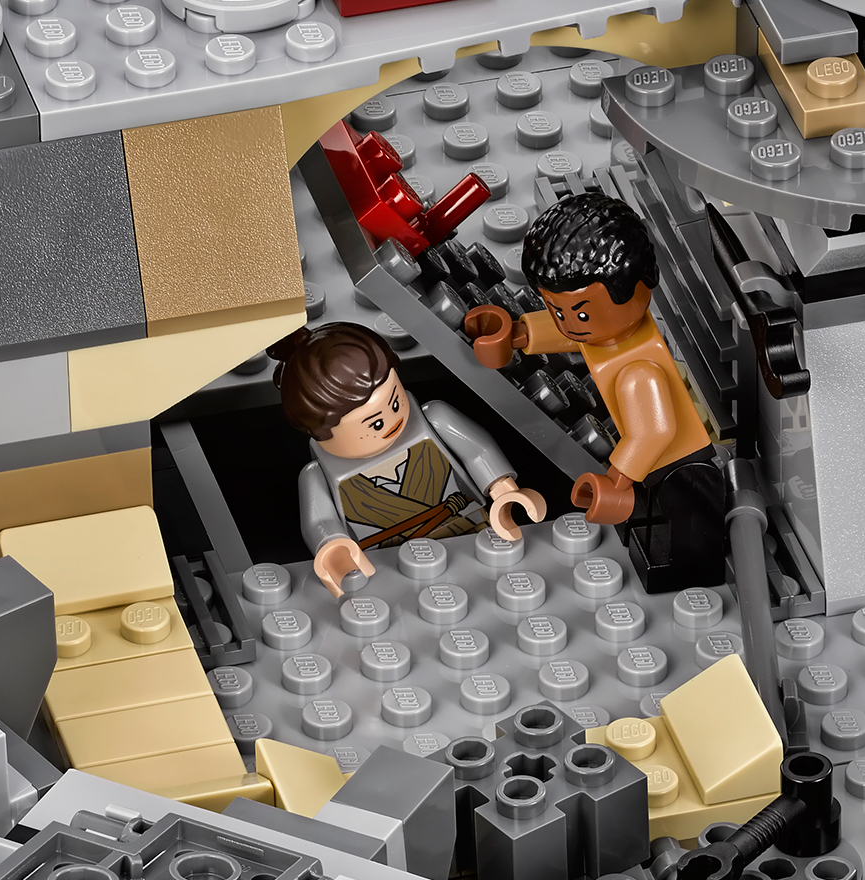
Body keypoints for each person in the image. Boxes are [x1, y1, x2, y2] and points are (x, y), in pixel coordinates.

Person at [464, 192, 725, 590]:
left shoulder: (638, 370)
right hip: (651, 465)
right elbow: (572, 334)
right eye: (557, 310)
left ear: (640, 287)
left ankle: (688, 578)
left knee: (686, 541)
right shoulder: (604, 331)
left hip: (682, 470)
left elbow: (654, 432)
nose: (570, 323)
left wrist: (616, 481)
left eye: (581, 311)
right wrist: (517, 333)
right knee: (656, 522)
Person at [274, 322, 546, 597]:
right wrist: (333, 546)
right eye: (375, 424)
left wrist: (503, 492)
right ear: (323, 432)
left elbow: (478, 452)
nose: (392, 419)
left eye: (395, 403)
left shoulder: (435, 418)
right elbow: (320, 522)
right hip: (388, 563)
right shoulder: (317, 475)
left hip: (473, 531)